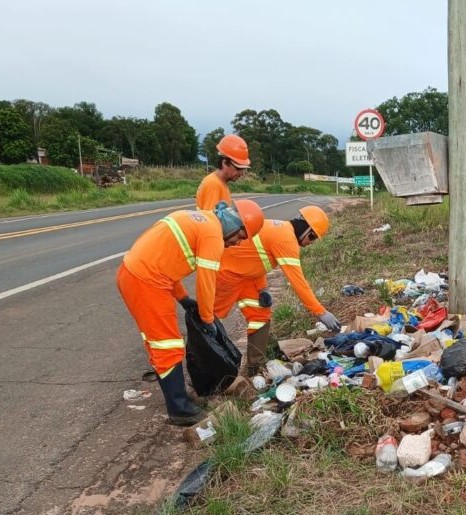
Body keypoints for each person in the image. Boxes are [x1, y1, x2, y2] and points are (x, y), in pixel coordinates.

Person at [117, 199, 265, 426]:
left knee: (158, 343)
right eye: (241, 237)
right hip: (148, 283)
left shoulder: (200, 220)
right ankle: (179, 409)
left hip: (134, 275)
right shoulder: (213, 236)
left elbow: (165, 262)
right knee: (168, 346)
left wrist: (184, 299)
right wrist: (207, 319)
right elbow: (207, 283)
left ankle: (177, 397)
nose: (237, 243)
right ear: (236, 225)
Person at [215, 205, 341, 377]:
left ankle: (252, 370)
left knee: (260, 317)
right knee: (210, 321)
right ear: (306, 230)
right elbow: (298, 282)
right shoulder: (287, 240)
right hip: (227, 274)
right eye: (312, 238)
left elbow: (253, 259)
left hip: (246, 276)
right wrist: (321, 312)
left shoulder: (280, 228)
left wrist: (262, 288)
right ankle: (209, 372)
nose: (310, 244)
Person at [197, 134, 251, 211]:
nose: (241, 173)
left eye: (243, 169)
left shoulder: (221, 183)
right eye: (238, 168)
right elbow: (212, 219)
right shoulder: (214, 184)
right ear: (225, 163)